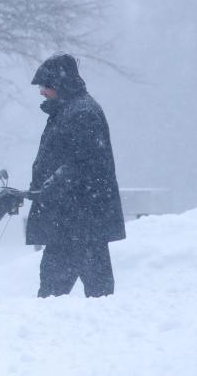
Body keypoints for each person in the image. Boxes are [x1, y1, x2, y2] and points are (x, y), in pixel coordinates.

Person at [26, 53, 125, 298]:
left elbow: (83, 165)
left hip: (77, 220)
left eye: (45, 86)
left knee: (56, 292)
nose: (41, 92)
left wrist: (49, 187)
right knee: (93, 290)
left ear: (60, 84)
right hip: (75, 220)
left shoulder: (81, 113)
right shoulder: (68, 111)